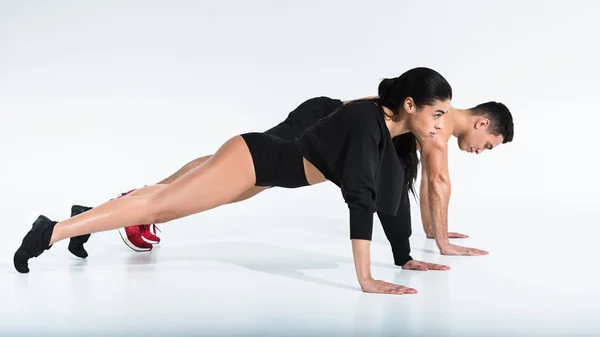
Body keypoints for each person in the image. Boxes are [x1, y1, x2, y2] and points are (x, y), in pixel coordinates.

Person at [14, 67, 453, 295]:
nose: (440, 126)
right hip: (253, 161)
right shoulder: (366, 122)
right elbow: (361, 198)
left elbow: (390, 201)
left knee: (163, 198)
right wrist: (366, 280)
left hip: (263, 168)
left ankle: (84, 218)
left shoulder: (391, 141)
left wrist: (404, 257)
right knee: (159, 207)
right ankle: (51, 231)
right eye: (436, 114)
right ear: (410, 104)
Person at [78, 94, 513, 257]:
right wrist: (440, 242)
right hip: (321, 124)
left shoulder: (436, 116)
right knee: (229, 177)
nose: (480, 152)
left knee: (233, 179)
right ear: (482, 123)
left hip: (323, 122)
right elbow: (437, 184)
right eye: (488, 145)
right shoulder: (439, 120)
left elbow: (417, 185)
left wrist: (437, 230)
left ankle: (121, 207)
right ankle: (138, 205)